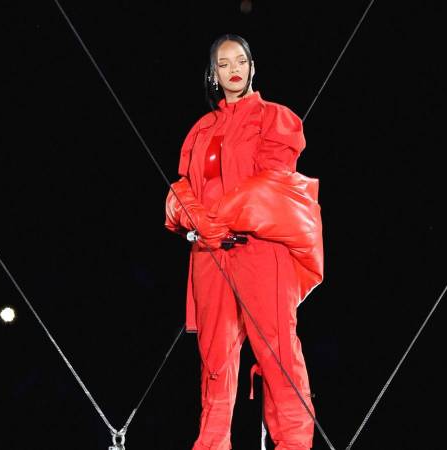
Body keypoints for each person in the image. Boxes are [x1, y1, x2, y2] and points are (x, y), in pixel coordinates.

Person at [165, 34, 324, 450]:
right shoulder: (200, 130)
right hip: (210, 255)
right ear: (213, 74)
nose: (233, 69)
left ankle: (293, 443)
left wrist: (214, 218)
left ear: (252, 66)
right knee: (215, 361)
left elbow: (271, 183)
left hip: (260, 249)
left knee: (277, 354)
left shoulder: (275, 118)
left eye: (240, 60)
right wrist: (194, 215)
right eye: (223, 63)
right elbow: (181, 189)